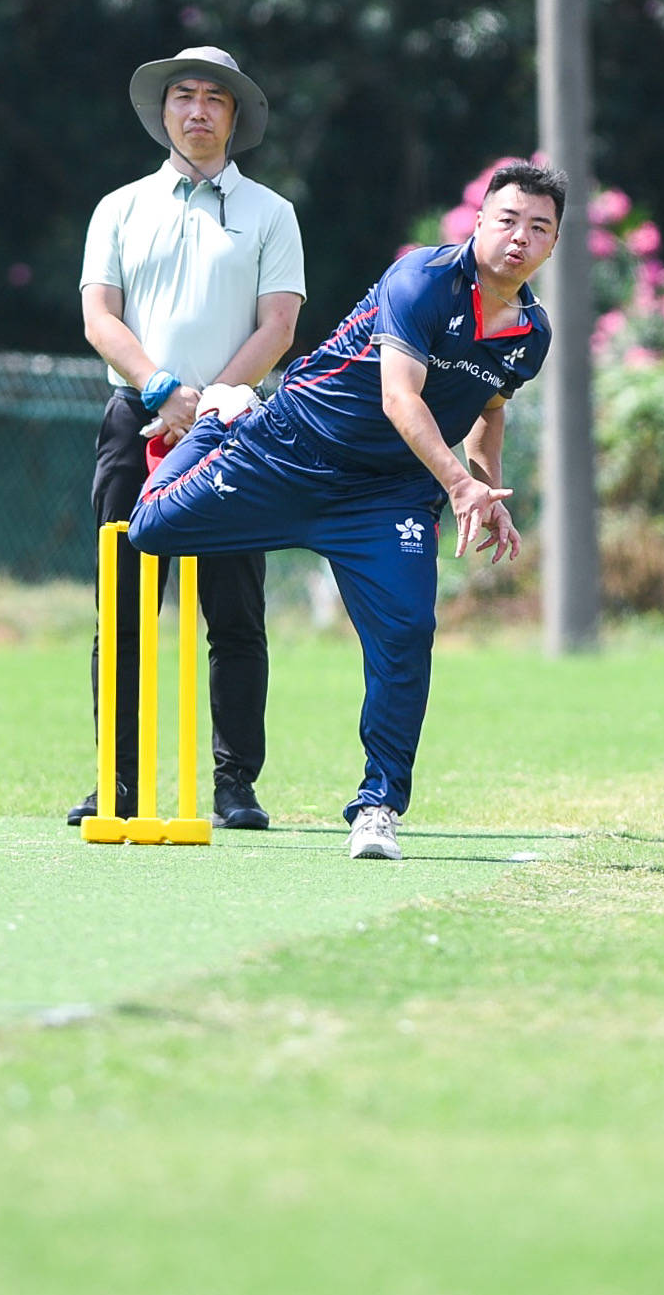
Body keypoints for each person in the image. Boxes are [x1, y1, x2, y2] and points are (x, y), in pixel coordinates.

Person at [129, 158, 562, 860]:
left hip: (387, 496)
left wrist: (488, 487)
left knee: (408, 632)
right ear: (479, 221)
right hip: (291, 448)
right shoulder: (422, 279)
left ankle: (378, 805)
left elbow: (488, 407)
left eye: (539, 227)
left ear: (554, 244)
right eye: (508, 219)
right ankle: (220, 415)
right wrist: (458, 485)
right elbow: (399, 396)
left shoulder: (531, 334)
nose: (520, 237)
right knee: (151, 529)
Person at [74, 46, 305, 828]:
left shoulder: (270, 212)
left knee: (234, 612)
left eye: (215, 97)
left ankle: (235, 786)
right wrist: (162, 389)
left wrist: (208, 404)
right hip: (135, 419)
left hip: (234, 428)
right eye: (184, 95)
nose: (198, 110)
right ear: (163, 110)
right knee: (125, 608)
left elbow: (279, 325)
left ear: (235, 116)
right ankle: (119, 781)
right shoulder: (120, 207)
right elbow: (100, 317)